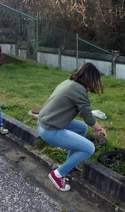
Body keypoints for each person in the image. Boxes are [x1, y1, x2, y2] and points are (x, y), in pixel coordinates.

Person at [37, 62, 107, 192]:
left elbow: (85, 117)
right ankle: (58, 174)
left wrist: (95, 125)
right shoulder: (79, 90)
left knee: (81, 128)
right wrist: (98, 128)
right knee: (89, 148)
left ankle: (71, 164)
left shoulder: (68, 83)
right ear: (91, 79)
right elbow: (88, 117)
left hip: (44, 123)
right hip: (50, 129)